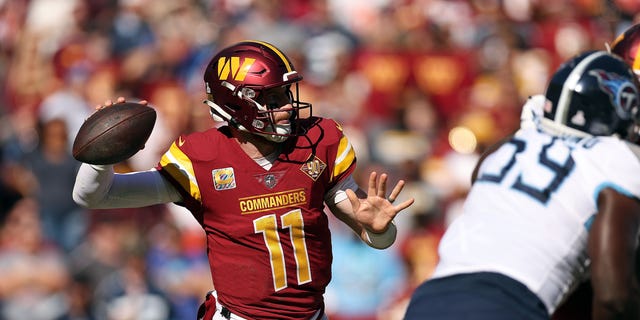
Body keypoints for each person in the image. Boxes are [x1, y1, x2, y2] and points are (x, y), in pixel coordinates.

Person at [72, 40, 414, 320]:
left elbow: (377, 238)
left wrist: (380, 229)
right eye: (273, 99)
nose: (287, 107)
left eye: (286, 95)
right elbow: (95, 196)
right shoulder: (201, 158)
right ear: (237, 105)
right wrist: (101, 157)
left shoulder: (317, 141)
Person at [404, 50, 640, 320]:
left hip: (428, 301)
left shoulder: (507, 149)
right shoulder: (616, 159)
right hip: (505, 305)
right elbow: (614, 298)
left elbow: (481, 178)